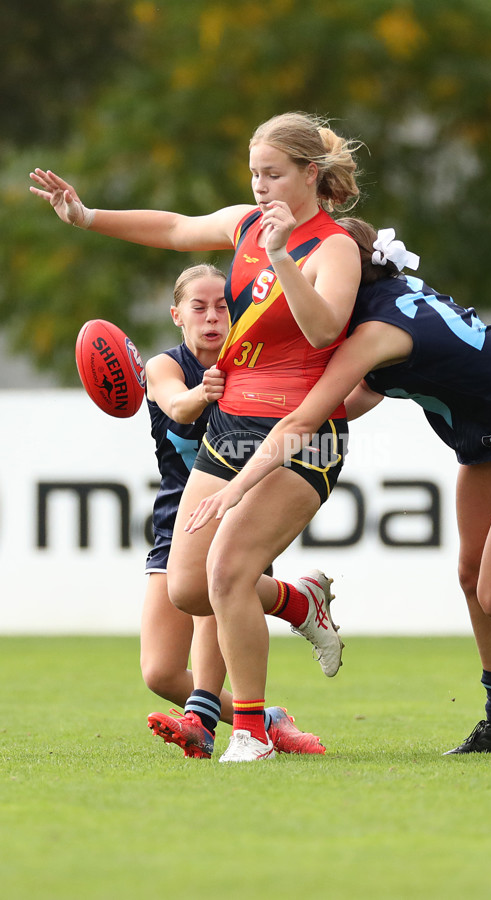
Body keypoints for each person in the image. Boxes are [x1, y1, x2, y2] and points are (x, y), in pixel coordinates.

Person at [185, 216, 491, 755]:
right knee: (472, 575)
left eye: (312, 271)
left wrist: (238, 485)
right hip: (489, 434)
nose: (302, 285)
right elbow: (346, 404)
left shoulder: (373, 332)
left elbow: (307, 420)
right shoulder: (386, 302)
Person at [30, 111, 363, 763]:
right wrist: (89, 215)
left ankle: (248, 732)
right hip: (236, 425)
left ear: (309, 175)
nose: (260, 186)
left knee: (229, 572)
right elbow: (178, 228)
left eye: (273, 174)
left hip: (305, 431)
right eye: (254, 174)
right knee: (189, 587)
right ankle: (299, 600)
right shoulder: (245, 225)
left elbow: (325, 331)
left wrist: (278, 258)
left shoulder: (334, 247)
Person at [141, 262, 325, 756]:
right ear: (177, 314)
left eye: (223, 306)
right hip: (175, 516)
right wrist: (207, 390)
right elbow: (177, 407)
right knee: (159, 672)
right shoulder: (164, 365)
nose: (212, 317)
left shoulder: (259, 365)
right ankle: (270, 706)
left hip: (238, 508)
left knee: (211, 589)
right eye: (198, 308)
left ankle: (215, 725)